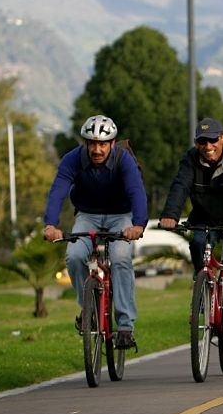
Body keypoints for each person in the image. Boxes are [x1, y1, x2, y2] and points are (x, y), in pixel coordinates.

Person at [43, 114, 147, 350]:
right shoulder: (72, 159)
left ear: (112, 143)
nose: (97, 150)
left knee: (120, 257)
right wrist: (50, 224)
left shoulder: (123, 160)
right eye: (92, 144)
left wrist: (138, 225)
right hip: (87, 215)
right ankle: (88, 308)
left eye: (102, 144)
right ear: (85, 143)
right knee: (74, 256)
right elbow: (58, 191)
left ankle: (125, 326)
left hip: (121, 215)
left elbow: (136, 191)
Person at [159, 117, 223, 351]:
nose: (208, 146)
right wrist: (170, 215)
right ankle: (203, 288)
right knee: (197, 245)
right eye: (202, 142)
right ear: (196, 143)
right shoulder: (190, 159)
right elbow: (180, 186)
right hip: (204, 219)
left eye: (213, 140)